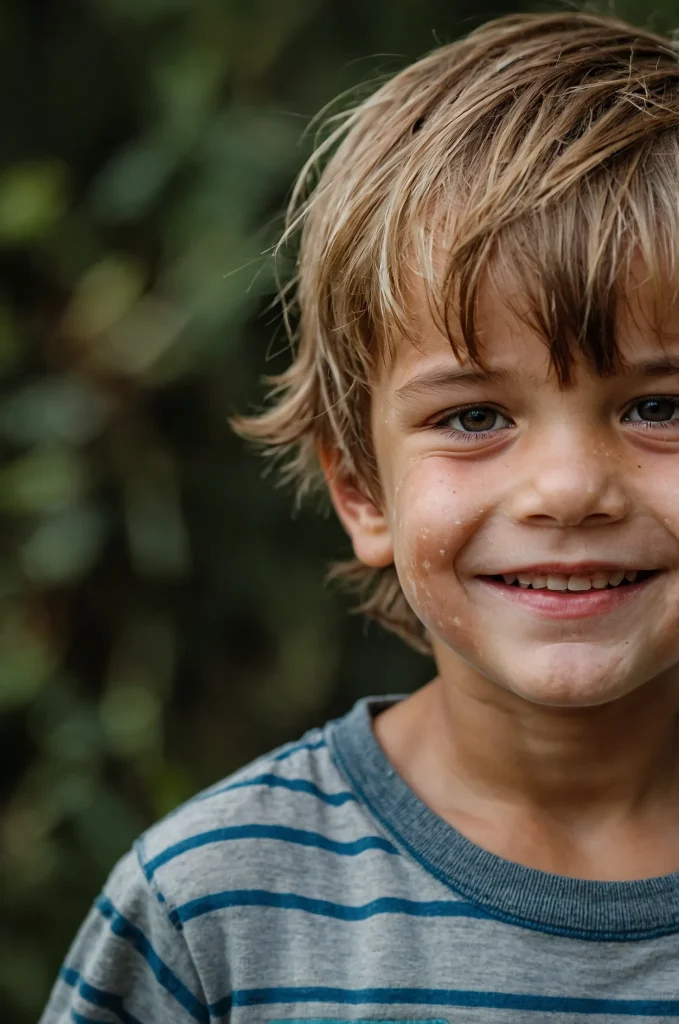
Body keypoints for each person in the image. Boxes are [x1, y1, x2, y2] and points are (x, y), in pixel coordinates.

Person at [41, 11, 679, 1023]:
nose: (565, 489)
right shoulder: (211, 909)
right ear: (361, 492)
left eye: (658, 408)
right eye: (473, 416)